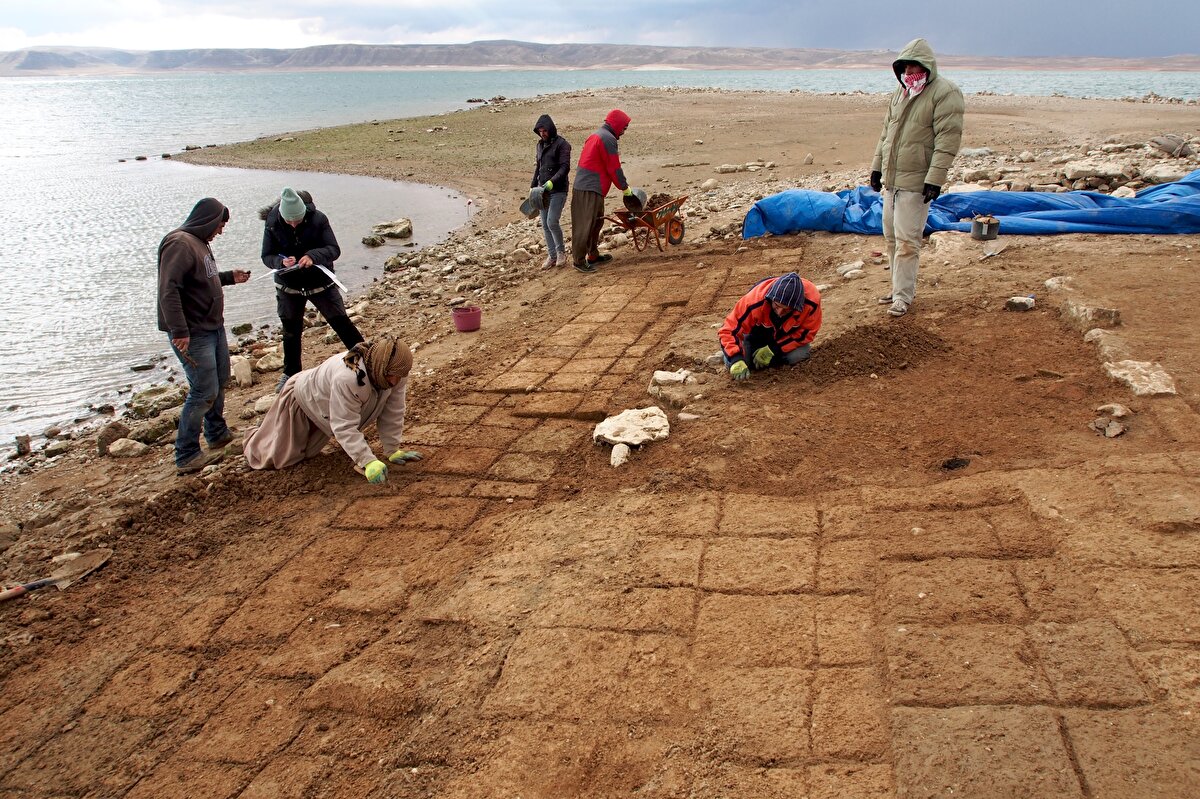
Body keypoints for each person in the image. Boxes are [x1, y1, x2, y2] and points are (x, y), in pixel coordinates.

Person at [868, 38, 964, 318]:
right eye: (906, 67)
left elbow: (947, 141)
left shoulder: (945, 93)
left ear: (927, 67)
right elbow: (886, 135)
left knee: (908, 241)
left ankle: (903, 297)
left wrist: (935, 179)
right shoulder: (900, 93)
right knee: (890, 238)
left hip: (916, 183)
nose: (910, 72)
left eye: (915, 66)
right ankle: (896, 288)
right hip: (893, 181)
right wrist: (877, 168)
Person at [156, 197, 250, 474]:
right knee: (203, 389)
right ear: (207, 220)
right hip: (193, 332)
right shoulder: (179, 244)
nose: (220, 232)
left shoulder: (199, 243)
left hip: (212, 326)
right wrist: (179, 330)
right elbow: (168, 290)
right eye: (219, 226)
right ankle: (186, 454)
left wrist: (229, 277)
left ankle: (217, 434)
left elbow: (201, 280)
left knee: (220, 380)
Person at [243, 338, 421, 484]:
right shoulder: (349, 377)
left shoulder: (396, 372)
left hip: (328, 407)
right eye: (391, 375)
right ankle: (252, 438)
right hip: (303, 400)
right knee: (277, 457)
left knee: (309, 452)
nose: (394, 381)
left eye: (399, 376)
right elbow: (343, 425)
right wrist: (366, 460)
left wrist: (392, 448)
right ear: (381, 367)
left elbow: (393, 409)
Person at [260, 187, 364, 391]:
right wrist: (281, 263)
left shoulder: (318, 219)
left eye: (297, 220)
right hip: (288, 286)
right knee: (291, 331)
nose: (293, 224)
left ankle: (361, 362)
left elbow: (333, 249)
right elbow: (266, 256)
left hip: (320, 283)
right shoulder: (272, 222)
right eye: (289, 221)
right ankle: (291, 376)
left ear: (304, 213)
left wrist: (313, 256)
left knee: (341, 322)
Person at [718, 272, 822, 381]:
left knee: (799, 355)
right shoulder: (753, 300)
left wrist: (773, 349)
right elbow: (728, 330)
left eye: (786, 309)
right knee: (739, 362)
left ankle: (769, 362)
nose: (780, 312)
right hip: (756, 335)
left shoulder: (811, 302)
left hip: (784, 338)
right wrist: (736, 358)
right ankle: (749, 358)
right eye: (777, 306)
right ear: (771, 298)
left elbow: (806, 333)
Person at [571, 109, 635, 274]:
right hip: (588, 188)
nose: (623, 131)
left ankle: (593, 255)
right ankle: (578, 261)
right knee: (585, 225)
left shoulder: (598, 135)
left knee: (596, 223)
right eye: (624, 128)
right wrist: (625, 188)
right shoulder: (607, 139)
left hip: (593, 187)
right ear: (617, 124)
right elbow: (614, 167)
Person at [532, 114, 571, 269]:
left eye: (545, 131)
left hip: (559, 189)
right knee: (545, 225)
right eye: (540, 131)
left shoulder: (563, 144)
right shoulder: (539, 145)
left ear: (551, 129)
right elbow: (538, 167)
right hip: (542, 191)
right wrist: (533, 186)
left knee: (552, 221)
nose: (543, 134)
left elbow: (565, 167)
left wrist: (552, 182)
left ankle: (561, 252)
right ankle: (552, 256)